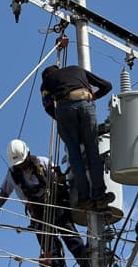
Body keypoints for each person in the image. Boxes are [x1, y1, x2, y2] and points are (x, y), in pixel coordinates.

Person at [0, 139, 90, 267]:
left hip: (55, 203)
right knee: (50, 248)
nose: (21, 166)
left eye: (22, 162)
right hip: (38, 213)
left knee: (68, 232)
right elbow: (4, 191)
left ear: (28, 154)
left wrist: (61, 177)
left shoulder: (43, 162)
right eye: (18, 164)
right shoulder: (13, 175)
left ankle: (83, 260)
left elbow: (61, 180)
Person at [40, 64, 115, 210]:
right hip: (85, 103)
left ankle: (84, 199)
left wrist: (62, 120)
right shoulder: (77, 69)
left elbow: (48, 106)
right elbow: (107, 86)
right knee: (93, 152)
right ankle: (99, 197)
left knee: (75, 157)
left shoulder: (46, 82)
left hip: (64, 108)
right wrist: (94, 96)